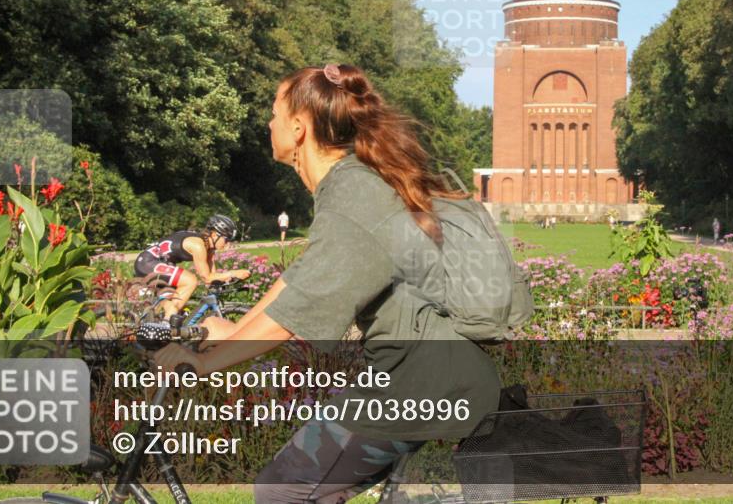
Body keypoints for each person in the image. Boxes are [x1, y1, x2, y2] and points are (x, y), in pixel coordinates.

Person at [154, 63, 503, 504]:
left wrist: (204, 364)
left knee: (281, 489)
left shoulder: (353, 195)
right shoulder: (349, 186)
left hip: (424, 382)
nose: (268, 123)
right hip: (426, 378)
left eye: (274, 112)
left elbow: (293, 319)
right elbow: (298, 282)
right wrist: (232, 334)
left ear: (298, 129)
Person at [133, 215, 251, 319]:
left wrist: (224, 280)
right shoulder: (198, 246)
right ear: (215, 235)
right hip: (148, 262)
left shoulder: (209, 248)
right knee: (190, 280)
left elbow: (212, 278)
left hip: (157, 263)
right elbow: (206, 277)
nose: (228, 244)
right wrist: (233, 273)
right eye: (226, 240)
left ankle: (163, 323)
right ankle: (166, 323)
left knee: (179, 308)